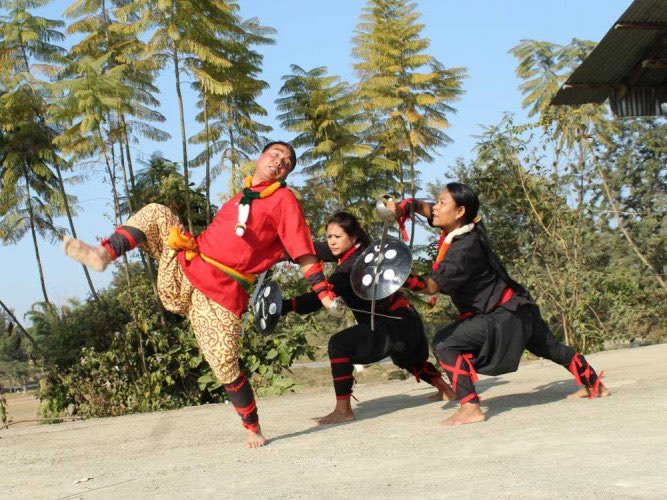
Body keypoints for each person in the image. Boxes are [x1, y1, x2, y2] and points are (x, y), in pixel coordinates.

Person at [63, 141, 337, 447]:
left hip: (221, 294)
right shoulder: (242, 193)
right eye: (275, 154)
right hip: (187, 263)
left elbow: (302, 250)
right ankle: (104, 253)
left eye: (287, 162)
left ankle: (252, 427)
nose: (280, 161)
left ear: (286, 174)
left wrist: (323, 293)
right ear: (260, 157)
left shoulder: (283, 199)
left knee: (224, 365)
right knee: (156, 213)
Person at [390, 183, 610, 427]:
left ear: (460, 211)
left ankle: (470, 407)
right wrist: (405, 207)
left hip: (503, 315)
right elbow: (424, 208)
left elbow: (431, 287)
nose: (436, 208)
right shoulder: (467, 228)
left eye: (442, 203)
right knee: (550, 348)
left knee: (445, 343)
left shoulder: (463, 249)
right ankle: (595, 385)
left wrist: (396, 275)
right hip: (519, 306)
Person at [281, 211, 456, 425]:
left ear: (352, 238)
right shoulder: (357, 249)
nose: (332, 242)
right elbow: (316, 249)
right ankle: (446, 389)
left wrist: (286, 306)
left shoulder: (350, 267)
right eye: (329, 236)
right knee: (405, 358)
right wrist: (282, 250)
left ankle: (343, 410)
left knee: (339, 345)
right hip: (405, 318)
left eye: (337, 237)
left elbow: (321, 297)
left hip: (390, 322)